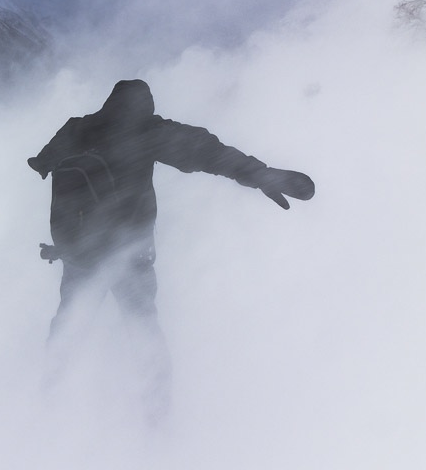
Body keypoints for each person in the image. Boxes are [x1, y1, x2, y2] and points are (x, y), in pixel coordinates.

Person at [28, 79, 314, 423]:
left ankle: (49, 409)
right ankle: (156, 422)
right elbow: (206, 151)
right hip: (128, 257)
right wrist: (261, 174)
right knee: (144, 334)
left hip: (78, 256)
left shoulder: (77, 128)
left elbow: (42, 163)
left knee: (68, 332)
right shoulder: (146, 131)